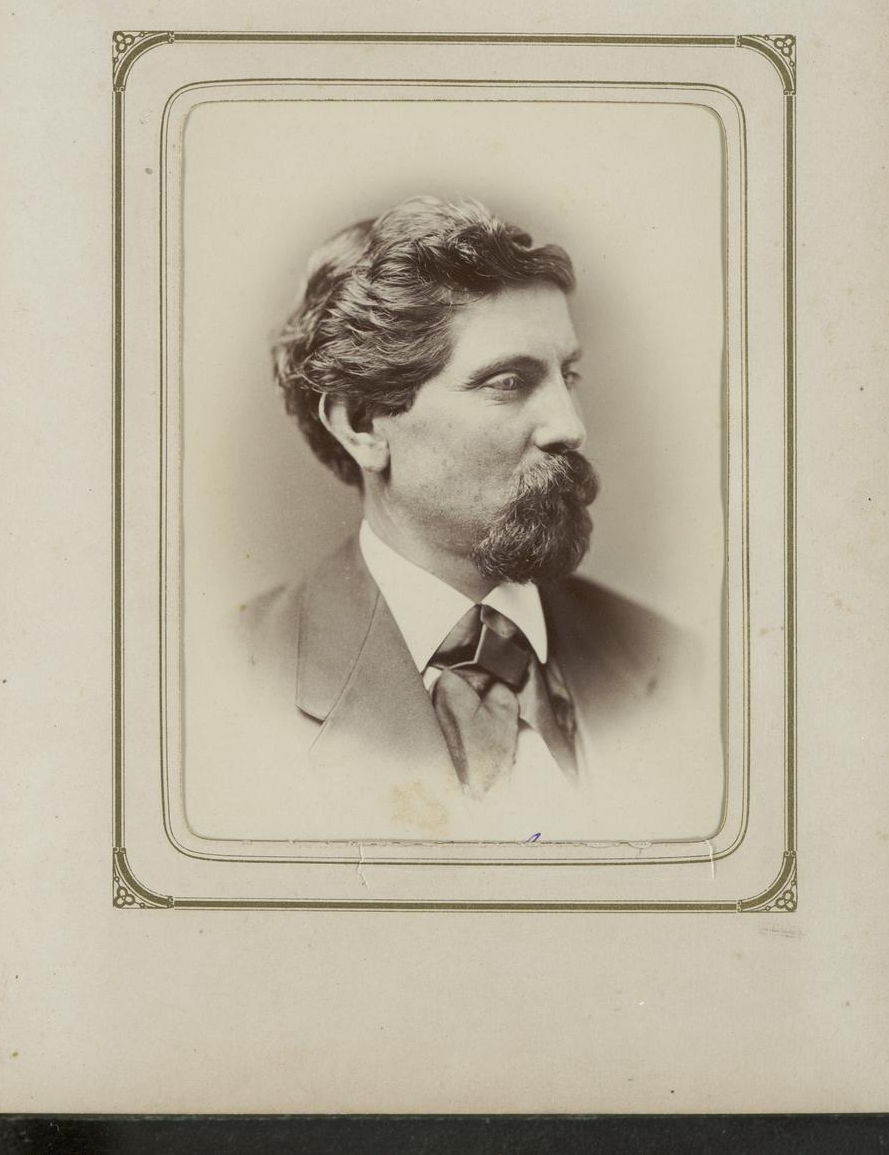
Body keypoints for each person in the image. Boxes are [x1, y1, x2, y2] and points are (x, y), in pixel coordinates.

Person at [242, 196, 703, 836]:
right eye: (508, 382)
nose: (570, 427)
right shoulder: (230, 690)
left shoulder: (676, 666)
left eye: (568, 376)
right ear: (362, 425)